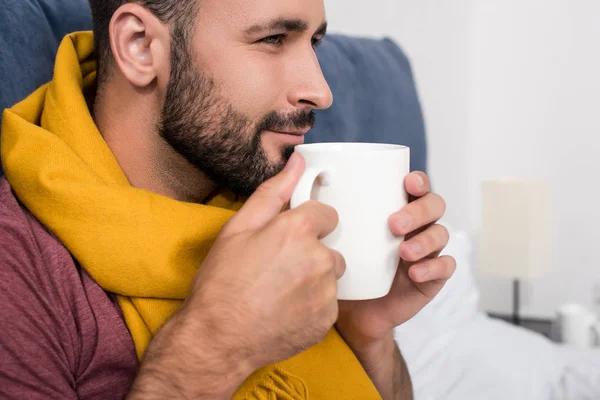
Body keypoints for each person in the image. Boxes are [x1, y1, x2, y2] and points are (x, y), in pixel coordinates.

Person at [0, 0, 455, 398]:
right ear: (140, 45)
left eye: (313, 43)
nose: (321, 91)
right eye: (274, 39)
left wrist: (368, 334)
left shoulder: (291, 221)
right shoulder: (20, 264)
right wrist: (215, 343)